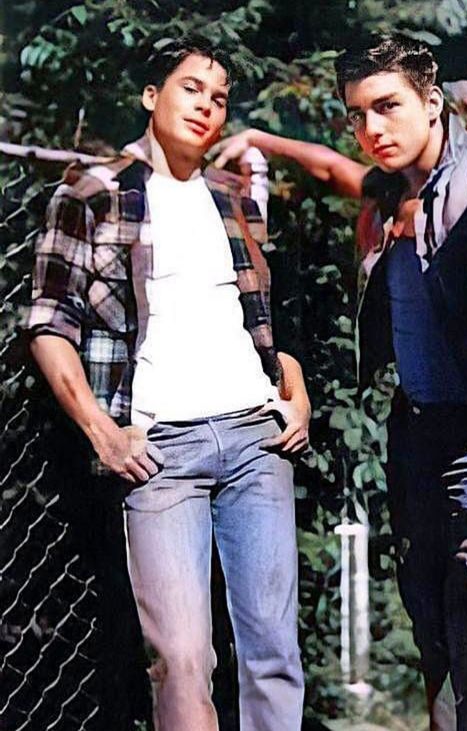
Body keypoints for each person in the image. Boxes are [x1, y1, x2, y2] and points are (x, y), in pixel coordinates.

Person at [214, 4, 467, 729]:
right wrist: (261, 138)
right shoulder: (390, 193)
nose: (372, 129)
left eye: (389, 107)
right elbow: (343, 171)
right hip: (417, 441)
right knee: (436, 636)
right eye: (359, 113)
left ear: (432, 103)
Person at [25, 36, 308, 731]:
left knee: (272, 648)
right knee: (180, 654)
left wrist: (294, 391)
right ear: (152, 97)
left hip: (255, 439)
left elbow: (264, 322)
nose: (207, 107)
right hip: (161, 450)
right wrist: (101, 429)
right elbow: (46, 323)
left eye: (218, 98)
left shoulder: (232, 197)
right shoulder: (93, 191)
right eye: (191, 89)